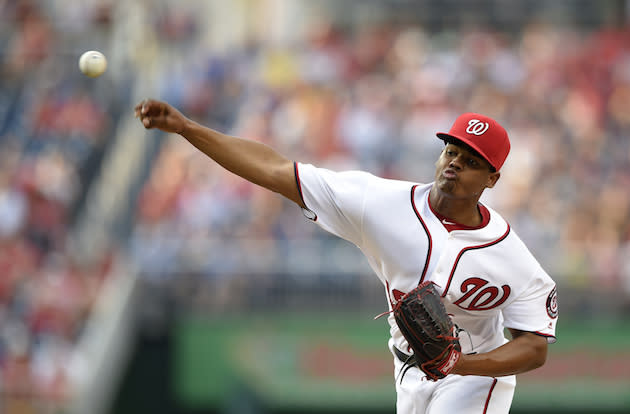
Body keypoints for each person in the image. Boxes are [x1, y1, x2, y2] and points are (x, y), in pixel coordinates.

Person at [134, 99, 558, 414]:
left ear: (492, 177)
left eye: (470, 161)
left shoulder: (510, 257)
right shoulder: (380, 202)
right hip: (408, 371)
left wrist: (463, 365)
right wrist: (187, 128)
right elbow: (275, 170)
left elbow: (534, 347)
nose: (454, 164)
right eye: (451, 152)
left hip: (476, 381)